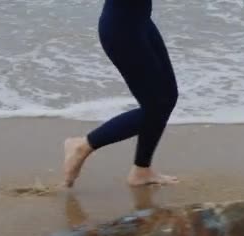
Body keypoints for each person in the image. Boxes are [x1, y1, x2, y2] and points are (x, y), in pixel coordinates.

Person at [63, 0, 179, 187]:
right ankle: (83, 145)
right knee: (155, 108)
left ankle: (141, 170)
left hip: (139, 23)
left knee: (167, 96)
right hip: (123, 31)